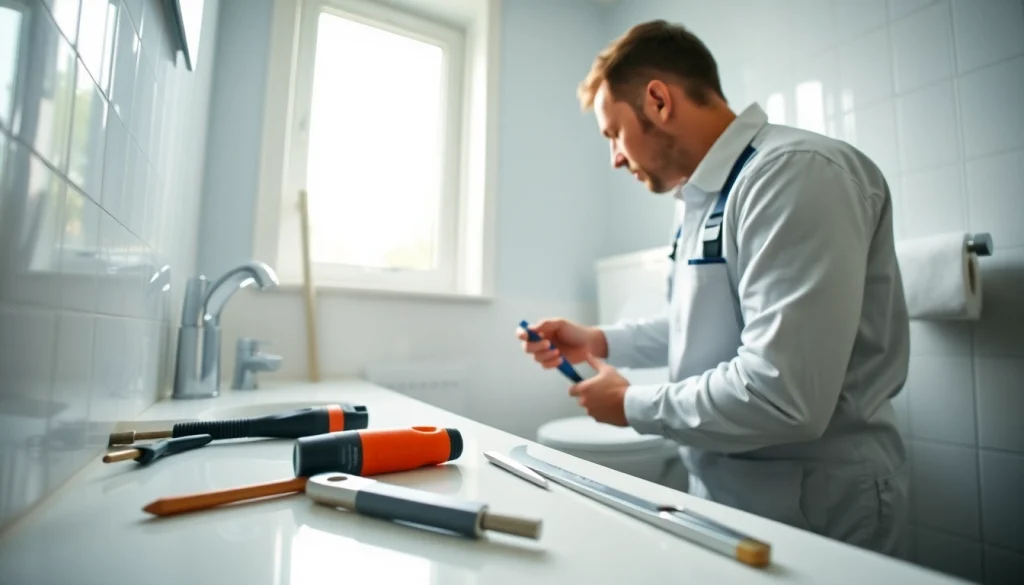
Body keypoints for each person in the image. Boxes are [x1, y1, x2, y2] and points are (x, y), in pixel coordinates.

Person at [517, 19, 910, 555]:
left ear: (657, 100)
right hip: (726, 484)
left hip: (814, 495)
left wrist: (632, 404)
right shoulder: (703, 199)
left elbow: (780, 395)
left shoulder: (792, 175)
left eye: (614, 134)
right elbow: (699, 322)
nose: (614, 157)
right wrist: (598, 341)